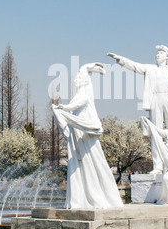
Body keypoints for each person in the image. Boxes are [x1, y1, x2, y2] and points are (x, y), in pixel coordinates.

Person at [107, 46, 168, 174]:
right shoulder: (150, 69)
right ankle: (158, 166)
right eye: (156, 53)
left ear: (167, 56)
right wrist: (120, 59)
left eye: (160, 53)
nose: (157, 55)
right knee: (156, 133)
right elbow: (135, 66)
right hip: (156, 100)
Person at [52, 63, 124, 209]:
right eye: (76, 78)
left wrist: (63, 107)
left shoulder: (84, 94)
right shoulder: (80, 92)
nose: (75, 80)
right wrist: (95, 67)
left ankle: (95, 195)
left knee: (88, 161)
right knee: (79, 163)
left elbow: (76, 105)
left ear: (85, 81)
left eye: (79, 78)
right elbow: (83, 68)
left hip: (84, 131)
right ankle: (80, 197)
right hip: (77, 130)